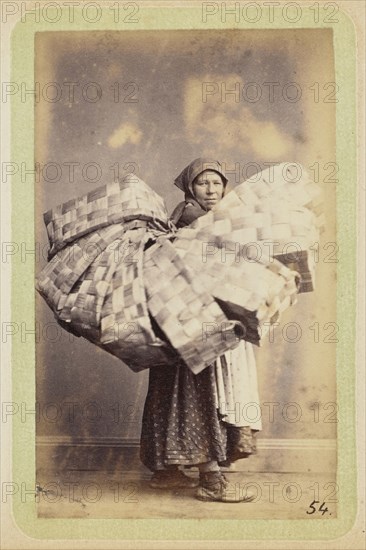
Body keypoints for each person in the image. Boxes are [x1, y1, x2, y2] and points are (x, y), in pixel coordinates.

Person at [140, 158, 261, 502]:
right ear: (190, 187)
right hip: (193, 320)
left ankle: (167, 473)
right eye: (203, 183)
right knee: (200, 393)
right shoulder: (194, 216)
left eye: (217, 183)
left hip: (177, 319)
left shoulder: (186, 218)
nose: (211, 190)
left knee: (173, 391)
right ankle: (211, 482)